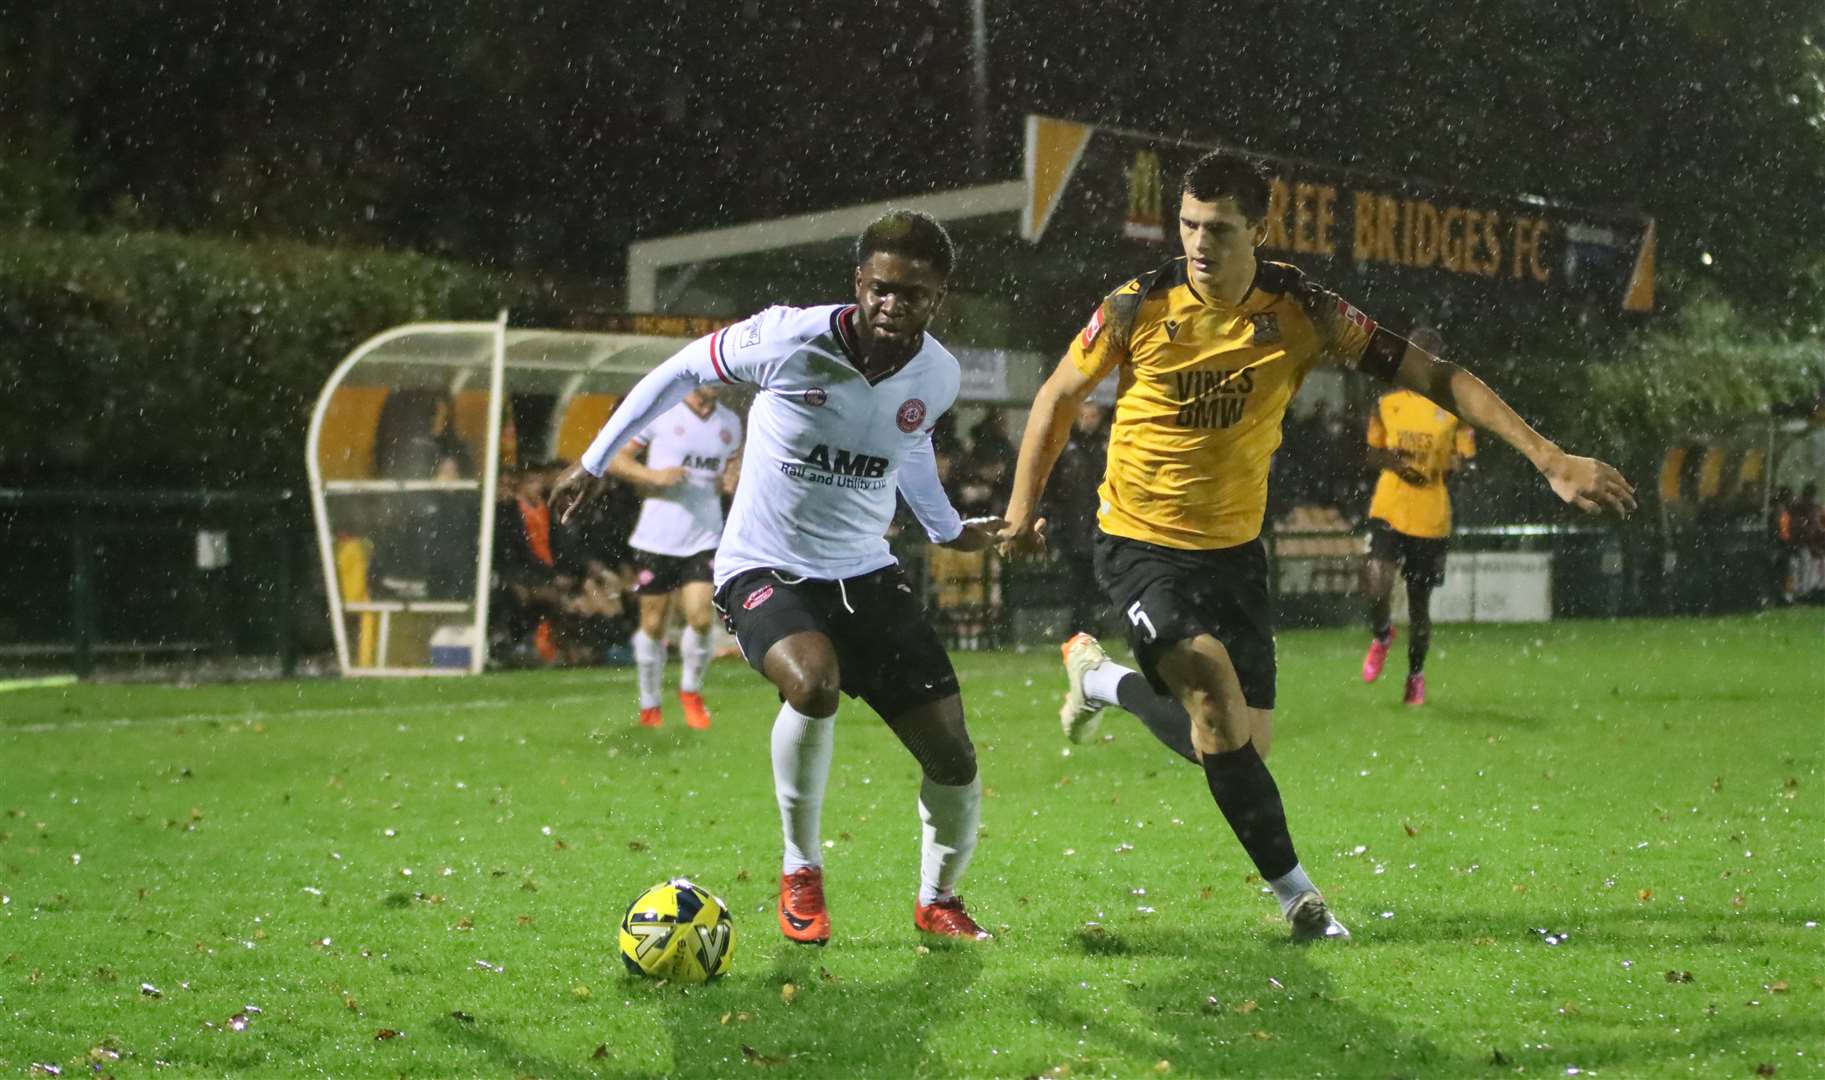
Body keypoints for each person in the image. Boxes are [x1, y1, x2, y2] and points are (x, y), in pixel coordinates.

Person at [999, 152, 1635, 943]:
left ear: (1259, 231)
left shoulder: (1302, 310)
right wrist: (1022, 507)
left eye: (1220, 229)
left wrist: (1548, 456)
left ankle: (1098, 682)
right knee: (1208, 688)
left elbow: (1433, 374)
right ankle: (1300, 900)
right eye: (1188, 225)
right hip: (1138, 542)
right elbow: (1058, 396)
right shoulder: (1136, 306)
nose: (1198, 243)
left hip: (1233, 553)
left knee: (1232, 747)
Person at [552, 209, 1004, 944]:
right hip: (764, 566)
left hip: (867, 571)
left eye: (912, 295)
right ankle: (801, 870)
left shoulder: (939, 375)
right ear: (859, 282)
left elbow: (909, 446)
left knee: (952, 757)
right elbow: (680, 369)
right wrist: (596, 460)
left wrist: (951, 530)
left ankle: (938, 900)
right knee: (812, 681)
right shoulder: (788, 336)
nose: (893, 305)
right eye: (881, 289)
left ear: (938, 298)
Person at [605, 385, 742, 729]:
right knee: (653, 623)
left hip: (705, 534)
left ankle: (691, 691)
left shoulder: (729, 422)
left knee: (699, 616)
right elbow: (617, 460)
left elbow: (732, 467)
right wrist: (653, 475)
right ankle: (650, 703)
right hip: (658, 537)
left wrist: (731, 478)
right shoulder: (662, 413)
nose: (718, 383)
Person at [1357, 326, 1477, 706]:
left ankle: (1415, 674)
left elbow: (1468, 459)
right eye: (1415, 357)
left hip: (1430, 516)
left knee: (1419, 603)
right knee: (1377, 582)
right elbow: (1371, 453)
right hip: (1390, 506)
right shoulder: (1388, 403)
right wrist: (1396, 462)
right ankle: (1381, 633)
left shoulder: (1454, 411)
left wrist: (1457, 464)